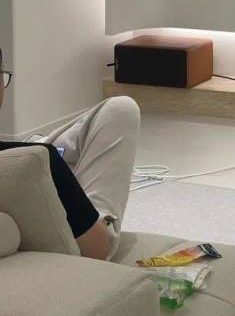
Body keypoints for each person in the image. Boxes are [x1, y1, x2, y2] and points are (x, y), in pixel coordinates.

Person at [0, 50, 140, 260]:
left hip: (28, 153)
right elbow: (97, 248)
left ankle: (40, 141)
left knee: (117, 108)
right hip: (88, 242)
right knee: (123, 110)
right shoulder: (41, 159)